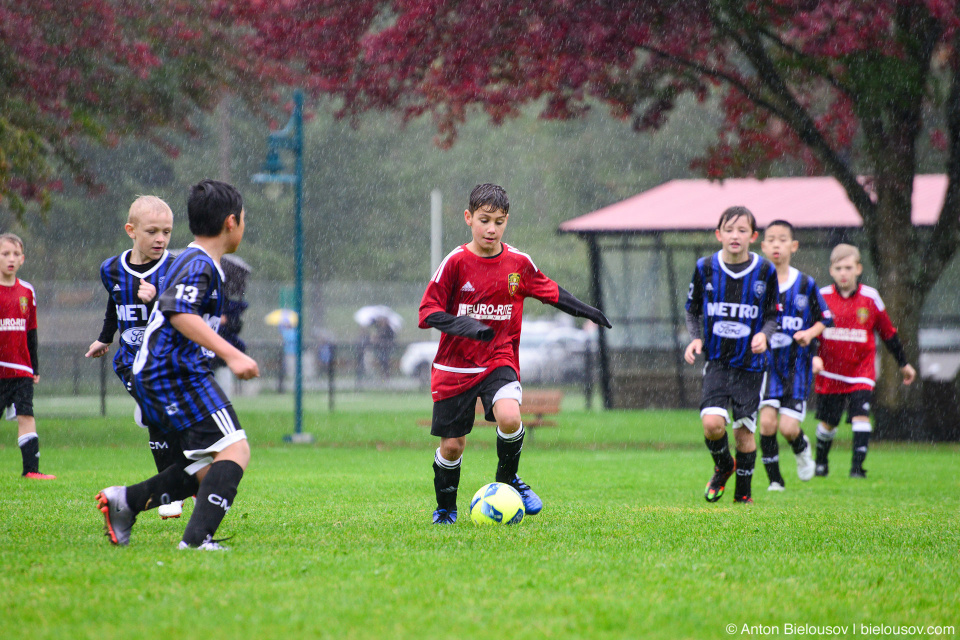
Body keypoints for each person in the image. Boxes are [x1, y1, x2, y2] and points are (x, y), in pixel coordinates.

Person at [419, 183, 611, 524]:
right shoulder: (455, 262)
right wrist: (466, 326)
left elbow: (551, 292)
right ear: (468, 218)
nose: (492, 228)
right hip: (455, 367)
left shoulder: (518, 263)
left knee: (510, 418)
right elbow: (427, 312)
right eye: (484, 220)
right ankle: (446, 507)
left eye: (500, 221)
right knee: (452, 447)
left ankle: (508, 480)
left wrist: (589, 311)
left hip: (499, 359)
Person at [96, 179, 260, 550]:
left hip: (160, 372)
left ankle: (127, 502)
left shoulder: (193, 260)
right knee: (236, 449)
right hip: (174, 372)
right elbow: (178, 312)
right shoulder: (200, 263)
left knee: (205, 470)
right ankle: (197, 541)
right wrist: (233, 355)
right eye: (244, 220)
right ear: (231, 222)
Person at [85, 195, 185, 518]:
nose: (160, 239)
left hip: (169, 362)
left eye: (167, 232)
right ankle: (171, 493)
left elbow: (185, 318)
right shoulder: (111, 269)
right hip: (131, 363)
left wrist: (157, 301)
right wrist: (105, 338)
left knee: (174, 422)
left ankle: (183, 480)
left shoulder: (175, 269)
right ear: (131, 230)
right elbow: (115, 303)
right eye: (152, 231)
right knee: (158, 418)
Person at [684, 206, 779, 504]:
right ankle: (724, 466)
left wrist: (765, 334)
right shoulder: (704, 268)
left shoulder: (765, 271)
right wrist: (695, 339)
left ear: (753, 236)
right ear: (718, 234)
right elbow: (692, 310)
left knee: (743, 434)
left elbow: (773, 315)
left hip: (751, 366)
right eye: (729, 230)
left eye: (742, 230)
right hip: (718, 363)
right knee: (712, 424)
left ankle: (743, 497)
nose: (735, 236)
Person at [812, 244, 916, 478]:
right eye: (838, 268)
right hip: (830, 372)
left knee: (861, 416)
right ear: (831, 271)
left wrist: (903, 363)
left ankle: (857, 469)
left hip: (861, 371)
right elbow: (810, 333)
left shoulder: (870, 298)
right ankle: (820, 463)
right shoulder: (822, 297)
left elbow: (888, 333)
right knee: (829, 423)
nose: (843, 273)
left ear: (858, 268)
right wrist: (813, 357)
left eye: (848, 267)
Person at [757, 220, 832, 491]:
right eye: (771, 239)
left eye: (783, 239)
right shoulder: (757, 283)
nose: (777, 244)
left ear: (794, 245)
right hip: (766, 367)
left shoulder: (805, 284)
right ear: (763, 246)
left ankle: (802, 451)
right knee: (766, 423)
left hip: (797, 368)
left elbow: (825, 318)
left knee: (788, 428)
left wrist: (810, 334)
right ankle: (775, 480)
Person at [0, 233, 53, 480]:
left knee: (26, 414)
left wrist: (35, 367)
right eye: (5, 253)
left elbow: (31, 332)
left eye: (15, 254)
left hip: (21, 370)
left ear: (22, 259)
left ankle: (31, 469)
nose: (11, 259)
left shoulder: (27, 291)